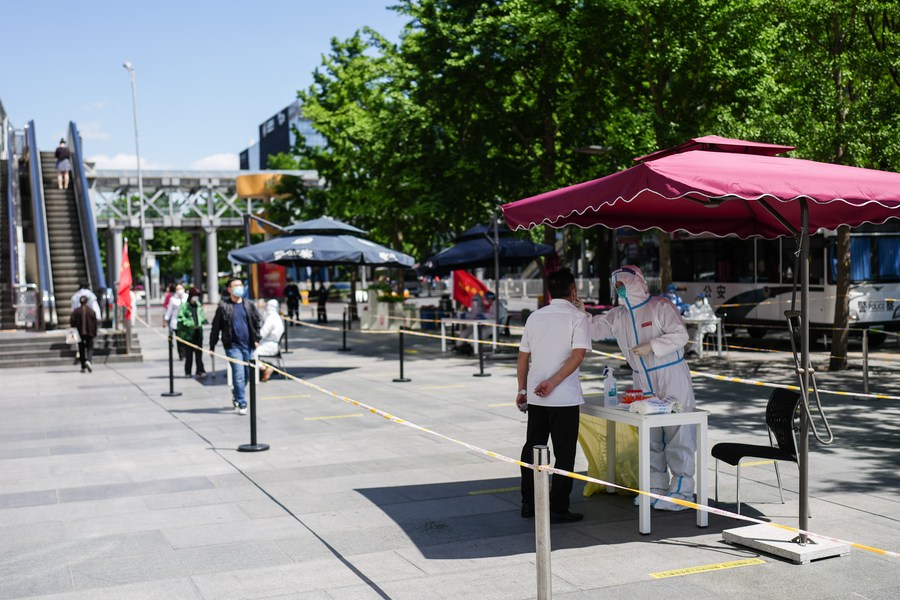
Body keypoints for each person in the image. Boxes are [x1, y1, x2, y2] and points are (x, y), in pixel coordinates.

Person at [588, 265, 696, 511]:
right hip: (642, 380)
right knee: (650, 437)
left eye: (622, 283)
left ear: (635, 282)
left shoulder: (660, 306)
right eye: (616, 285)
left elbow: (681, 335)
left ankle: (682, 492)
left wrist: (653, 346)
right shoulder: (619, 315)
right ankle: (655, 488)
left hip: (671, 375)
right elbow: (594, 328)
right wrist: (578, 314)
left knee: (679, 432)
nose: (619, 289)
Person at [517, 268, 591, 523]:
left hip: (536, 396)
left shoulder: (535, 317)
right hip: (565, 397)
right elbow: (578, 356)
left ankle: (529, 503)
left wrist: (522, 389)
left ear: (549, 292)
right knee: (564, 453)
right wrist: (553, 383)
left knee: (532, 448)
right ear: (574, 291)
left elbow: (523, 357)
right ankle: (558, 506)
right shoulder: (578, 318)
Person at [209, 277, 261, 415]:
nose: (239, 287)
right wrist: (212, 345)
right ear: (229, 289)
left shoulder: (249, 305)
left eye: (240, 285)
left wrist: (257, 339)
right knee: (238, 375)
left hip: (248, 345)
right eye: (236, 285)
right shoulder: (223, 306)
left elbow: (257, 322)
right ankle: (242, 403)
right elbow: (216, 327)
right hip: (232, 346)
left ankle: (237, 392)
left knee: (246, 375)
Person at [176, 287, 207, 379]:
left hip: (198, 333)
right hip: (189, 334)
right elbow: (181, 318)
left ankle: (200, 370)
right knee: (189, 355)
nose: (196, 298)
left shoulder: (198, 305)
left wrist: (203, 321)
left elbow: (201, 316)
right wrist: (190, 324)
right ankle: (188, 371)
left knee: (199, 354)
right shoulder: (185, 306)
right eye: (195, 295)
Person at [255, 299, 285, 382]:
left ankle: (264, 368)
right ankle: (267, 366)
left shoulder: (271, 318)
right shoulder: (277, 317)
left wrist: (255, 340)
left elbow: (262, 333)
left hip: (269, 345)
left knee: (251, 354)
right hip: (274, 345)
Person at [70, 295, 98, 373]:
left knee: (81, 349)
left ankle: (83, 365)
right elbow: (95, 323)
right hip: (90, 332)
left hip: (79, 333)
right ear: (87, 301)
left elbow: (72, 322)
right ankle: (88, 360)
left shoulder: (76, 311)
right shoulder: (91, 311)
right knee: (90, 347)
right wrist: (94, 333)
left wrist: (74, 329)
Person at [164, 283, 186, 359]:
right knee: (179, 339)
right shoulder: (173, 299)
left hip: (186, 322)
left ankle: (186, 353)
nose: (179, 290)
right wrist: (165, 319)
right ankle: (181, 354)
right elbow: (169, 311)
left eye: (180, 288)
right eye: (177, 289)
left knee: (186, 339)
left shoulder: (187, 297)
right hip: (176, 322)